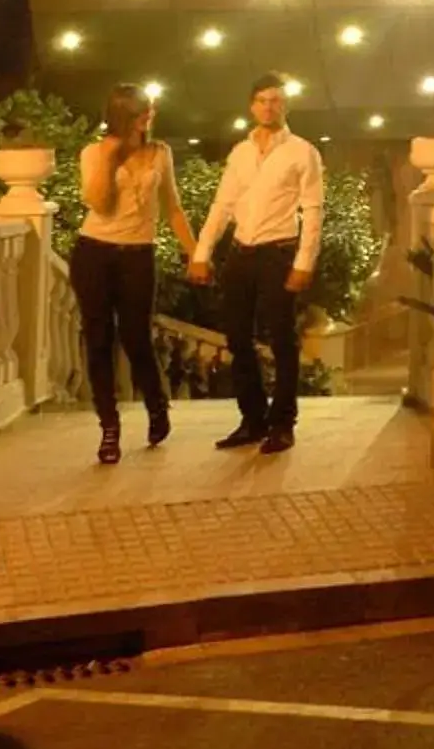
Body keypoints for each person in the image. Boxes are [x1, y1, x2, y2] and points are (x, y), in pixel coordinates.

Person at [187, 75, 326, 455]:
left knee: (282, 340)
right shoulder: (240, 152)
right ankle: (252, 420)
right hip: (241, 251)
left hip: (279, 252)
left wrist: (304, 262)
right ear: (252, 106)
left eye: (276, 100)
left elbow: (313, 210)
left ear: (286, 106)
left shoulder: (303, 152)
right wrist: (202, 253)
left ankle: (282, 424)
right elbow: (222, 205)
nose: (269, 107)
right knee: (236, 338)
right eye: (263, 100)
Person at [71, 84, 192, 464]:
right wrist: (109, 160)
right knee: (99, 339)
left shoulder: (160, 153)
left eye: (150, 109)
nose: (149, 115)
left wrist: (197, 253)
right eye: (141, 110)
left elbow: (172, 207)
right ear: (123, 114)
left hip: (138, 255)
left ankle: (157, 406)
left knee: (137, 336)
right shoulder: (95, 152)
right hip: (94, 252)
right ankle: (109, 427)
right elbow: (98, 203)